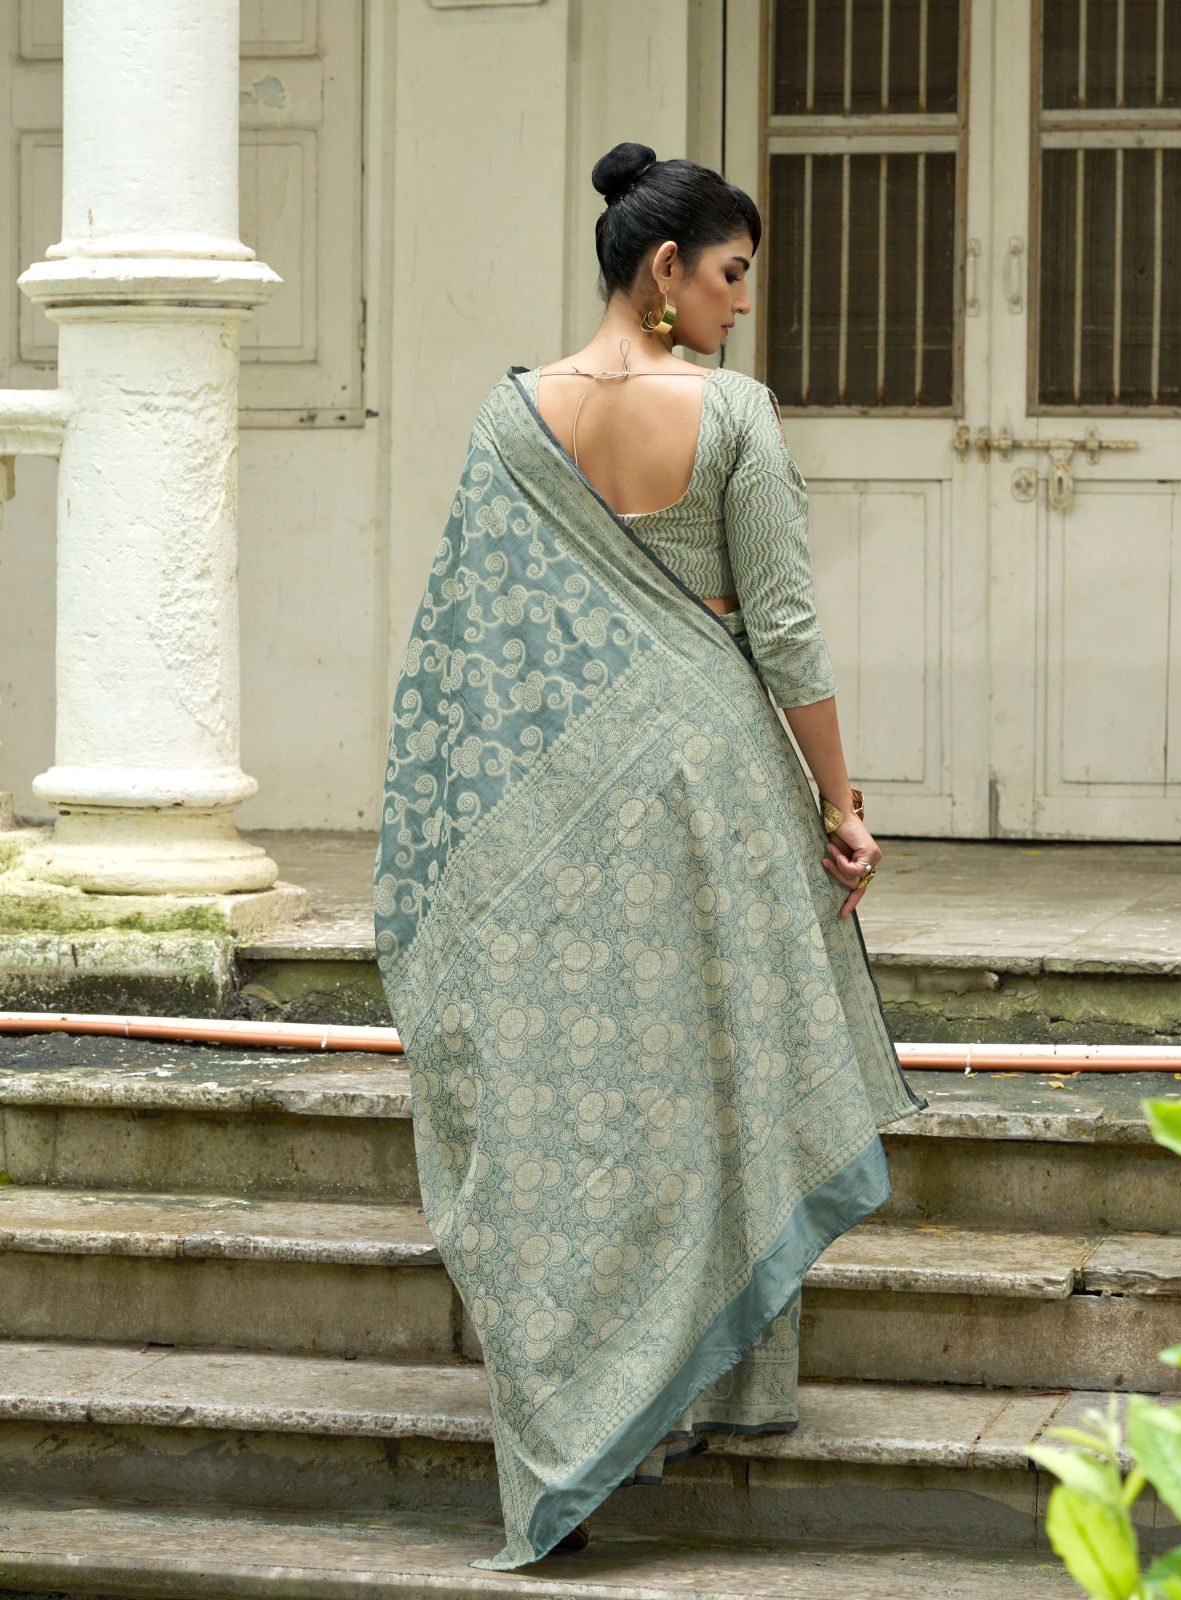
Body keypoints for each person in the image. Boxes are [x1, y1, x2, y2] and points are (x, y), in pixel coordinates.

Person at [373, 140, 928, 1572]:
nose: (744, 301)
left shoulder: (510, 420)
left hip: (567, 811)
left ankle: (591, 1400)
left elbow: (467, 653)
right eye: (733, 274)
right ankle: (702, 1390)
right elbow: (783, 627)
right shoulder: (729, 411)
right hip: (709, 791)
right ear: (666, 269)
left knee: (594, 1092)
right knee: (709, 1079)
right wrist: (842, 803)